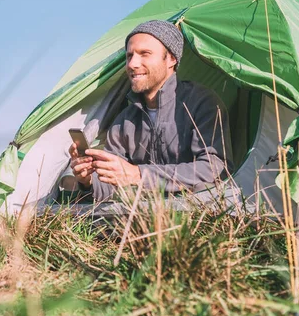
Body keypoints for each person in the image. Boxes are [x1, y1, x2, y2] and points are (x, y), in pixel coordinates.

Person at [69, 20, 234, 202]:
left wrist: (138, 174)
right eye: (129, 55)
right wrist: (87, 181)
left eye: (144, 54)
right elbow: (110, 186)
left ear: (171, 59)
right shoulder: (125, 120)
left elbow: (214, 169)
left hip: (198, 215)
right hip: (143, 220)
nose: (132, 64)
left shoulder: (201, 103)